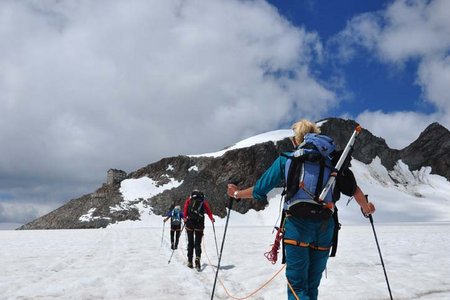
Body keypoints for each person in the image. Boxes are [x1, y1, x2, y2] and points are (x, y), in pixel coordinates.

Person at [227, 119, 375, 300]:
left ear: (296, 140)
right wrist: (367, 208)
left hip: (297, 227)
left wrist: (236, 194)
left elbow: (259, 190)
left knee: (297, 287)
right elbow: (353, 189)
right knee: (312, 286)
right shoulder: (333, 162)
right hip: (325, 228)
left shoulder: (287, 159)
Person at [183, 190, 215, 269]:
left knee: (190, 243)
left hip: (190, 224)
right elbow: (208, 211)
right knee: (197, 243)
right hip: (199, 224)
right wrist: (211, 218)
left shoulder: (189, 200)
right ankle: (197, 258)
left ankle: (190, 261)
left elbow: (185, 209)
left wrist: (185, 218)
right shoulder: (202, 201)